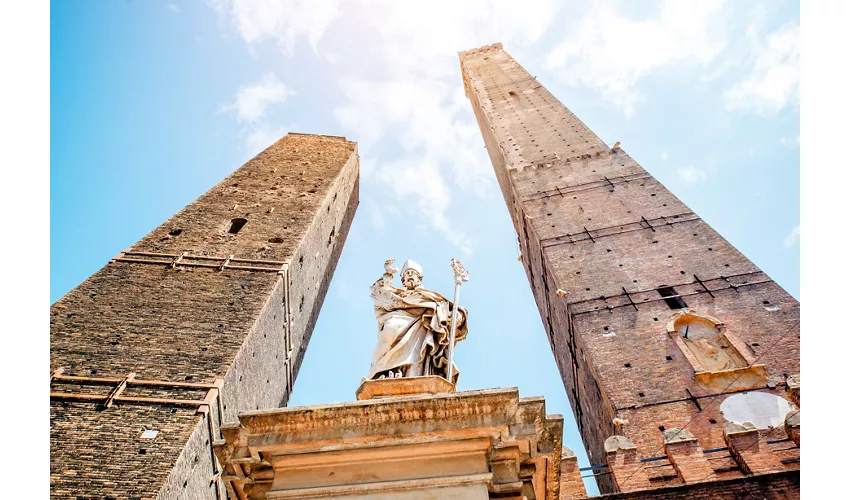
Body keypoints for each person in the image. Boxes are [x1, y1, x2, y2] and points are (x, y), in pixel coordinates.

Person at [367, 259, 467, 383]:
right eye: (406, 274)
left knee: (420, 341)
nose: (409, 276)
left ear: (419, 278)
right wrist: (388, 275)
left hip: (421, 326)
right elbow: (378, 292)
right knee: (390, 329)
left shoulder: (429, 296)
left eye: (412, 273)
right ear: (402, 280)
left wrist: (457, 315)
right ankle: (384, 371)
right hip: (397, 318)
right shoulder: (396, 294)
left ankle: (412, 374)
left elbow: (447, 309)